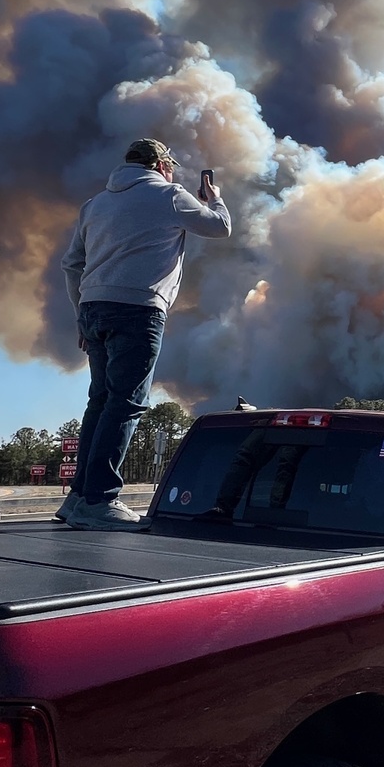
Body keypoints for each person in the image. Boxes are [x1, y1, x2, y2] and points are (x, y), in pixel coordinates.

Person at [58, 138, 231, 530]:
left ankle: (78, 498)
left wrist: (81, 315)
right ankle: (100, 500)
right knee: (125, 404)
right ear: (159, 164)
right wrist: (214, 198)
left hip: (93, 308)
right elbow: (220, 228)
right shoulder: (169, 194)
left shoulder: (94, 204)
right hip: (138, 309)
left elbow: (72, 265)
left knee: (100, 402)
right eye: (170, 164)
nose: (172, 170)